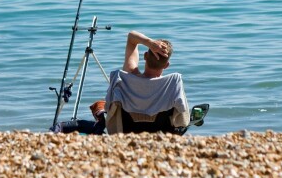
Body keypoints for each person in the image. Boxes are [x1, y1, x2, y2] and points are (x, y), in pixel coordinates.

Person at [59, 31, 189, 135]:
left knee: (101, 105)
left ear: (144, 56)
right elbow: (182, 119)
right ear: (167, 65)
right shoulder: (172, 84)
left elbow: (131, 37)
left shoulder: (127, 77)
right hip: (162, 134)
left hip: (126, 133)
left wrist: (149, 43)